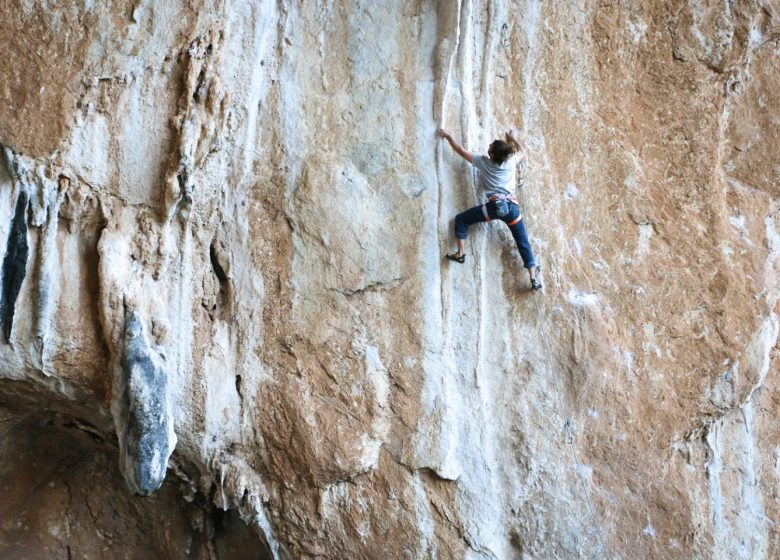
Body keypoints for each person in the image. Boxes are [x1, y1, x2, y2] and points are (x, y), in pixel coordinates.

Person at [437, 127, 542, 290]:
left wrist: (449, 137)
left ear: (492, 155)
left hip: (494, 208)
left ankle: (460, 254)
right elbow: (522, 150)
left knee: (461, 219)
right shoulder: (510, 161)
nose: (488, 148)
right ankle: (534, 278)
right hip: (512, 209)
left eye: (490, 148)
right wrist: (513, 138)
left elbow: (459, 150)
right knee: (523, 242)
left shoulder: (483, 162)